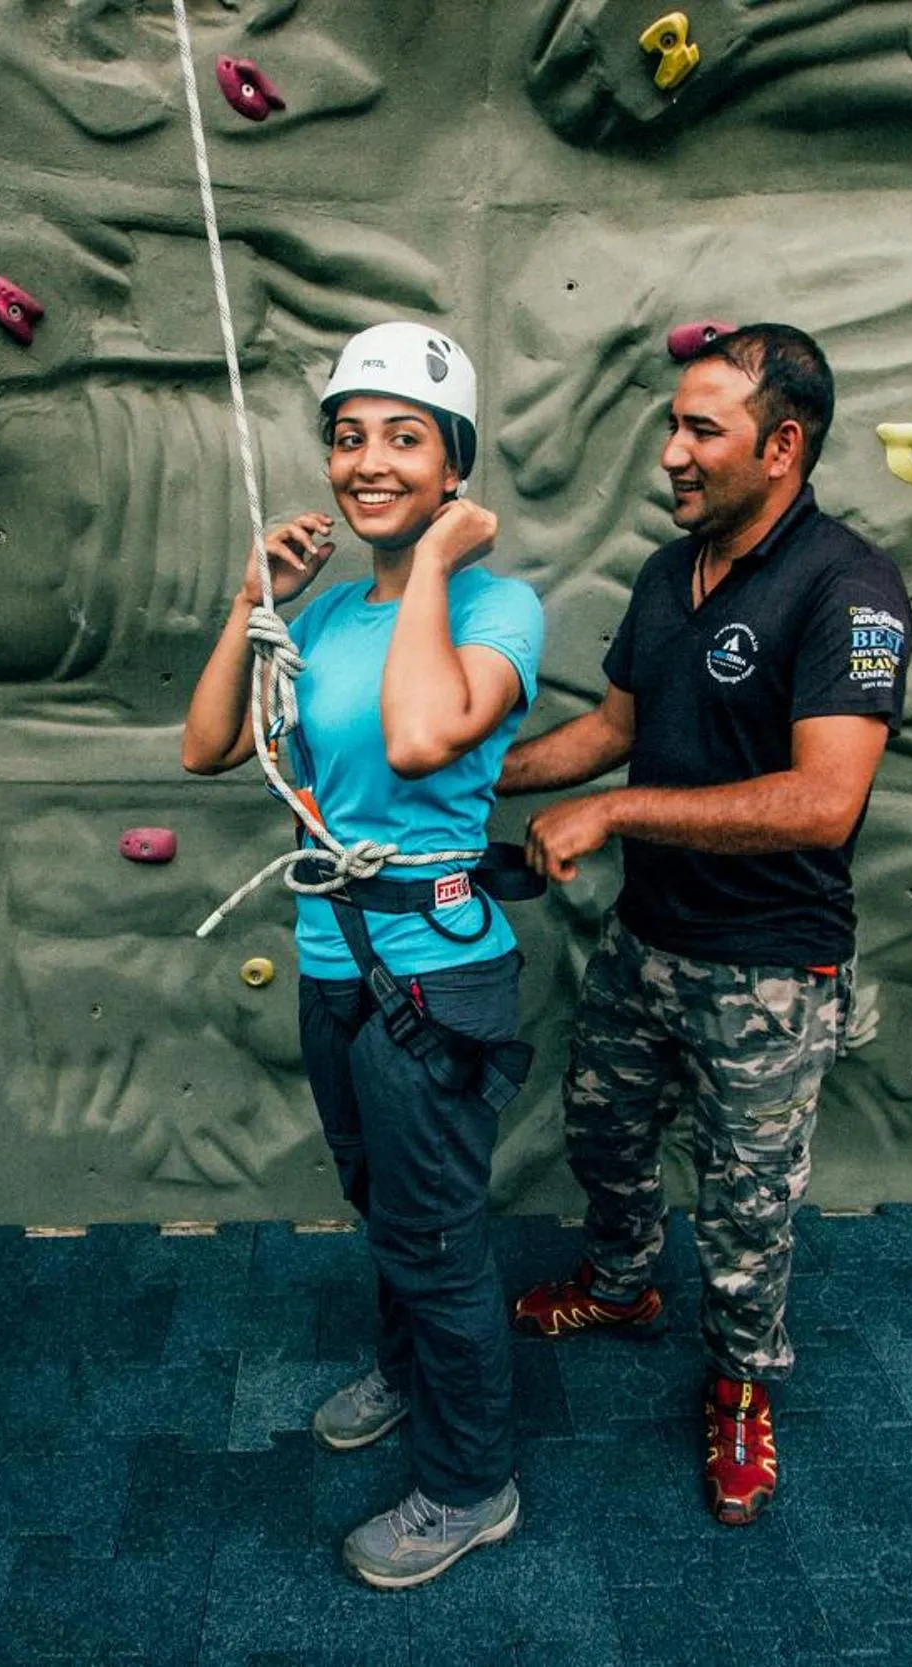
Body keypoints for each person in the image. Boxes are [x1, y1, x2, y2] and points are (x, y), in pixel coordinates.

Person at [496, 323, 911, 1527]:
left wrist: (615, 813)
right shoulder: (666, 573)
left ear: (781, 446)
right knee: (602, 1132)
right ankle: (624, 1283)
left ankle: (739, 1387)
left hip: (771, 970)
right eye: (671, 425)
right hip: (648, 943)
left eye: (700, 430)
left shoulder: (846, 585)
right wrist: (471, 781)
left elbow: (824, 800)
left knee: (744, 1212)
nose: (670, 453)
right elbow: (611, 728)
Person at [181, 321, 545, 1588]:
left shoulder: (502, 604)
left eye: (405, 438)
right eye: (348, 437)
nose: (368, 462)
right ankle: (407, 1371)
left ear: (454, 465)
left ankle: (469, 1485)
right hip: (331, 955)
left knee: (438, 1236)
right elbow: (208, 746)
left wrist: (439, 559)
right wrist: (252, 603)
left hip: (435, 971)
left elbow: (414, 736)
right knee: (376, 1200)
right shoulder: (324, 609)